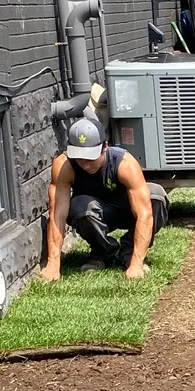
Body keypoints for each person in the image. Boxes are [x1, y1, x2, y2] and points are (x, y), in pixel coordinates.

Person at [40, 117, 169, 281]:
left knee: (155, 195)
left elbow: (145, 215)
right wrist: (53, 264)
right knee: (79, 206)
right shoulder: (64, 166)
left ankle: (129, 254)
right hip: (95, 212)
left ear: (105, 147)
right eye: (80, 157)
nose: (85, 164)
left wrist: (136, 265)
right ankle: (102, 253)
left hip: (127, 209)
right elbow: (57, 214)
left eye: (90, 157)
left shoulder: (124, 163)